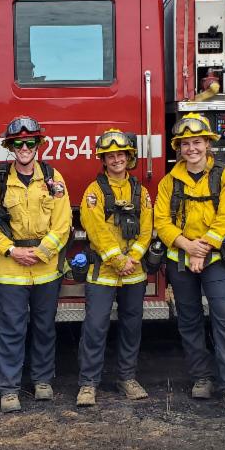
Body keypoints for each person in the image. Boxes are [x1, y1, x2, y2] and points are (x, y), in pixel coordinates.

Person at [153, 113, 225, 417]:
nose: (192, 148)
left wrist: (202, 249)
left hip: (216, 259)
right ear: (178, 148)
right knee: (189, 320)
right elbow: (161, 222)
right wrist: (187, 246)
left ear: (208, 143)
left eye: (197, 142)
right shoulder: (169, 182)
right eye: (186, 144)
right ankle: (201, 378)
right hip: (181, 259)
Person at [0, 116, 71, 412]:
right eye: (18, 143)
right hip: (11, 270)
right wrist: (11, 251)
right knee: (10, 329)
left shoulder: (52, 178)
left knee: (44, 327)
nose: (24, 147)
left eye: (29, 142)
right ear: (10, 146)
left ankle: (43, 380)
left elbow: (62, 223)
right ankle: (8, 388)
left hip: (46, 268)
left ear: (37, 145)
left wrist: (42, 252)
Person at [76, 129, 152, 407]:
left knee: (131, 327)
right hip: (104, 273)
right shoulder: (94, 192)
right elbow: (95, 230)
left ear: (129, 157)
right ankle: (88, 384)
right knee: (95, 328)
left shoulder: (140, 192)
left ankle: (127, 378)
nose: (117, 159)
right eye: (111, 156)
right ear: (104, 160)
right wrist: (119, 260)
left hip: (134, 272)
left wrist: (133, 256)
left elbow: (146, 229)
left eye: (121, 154)